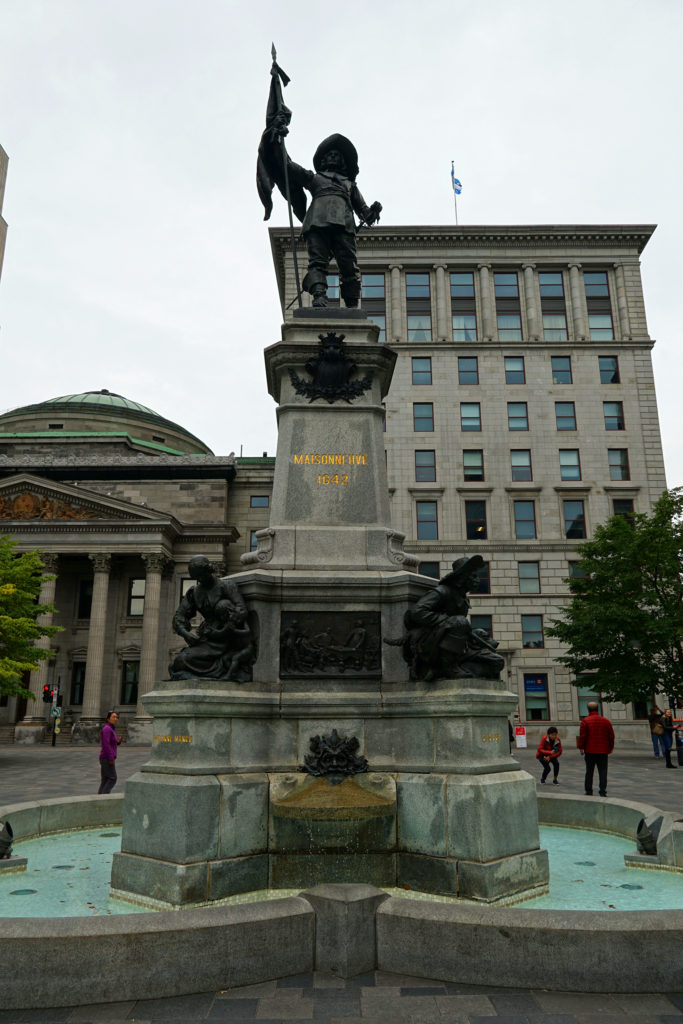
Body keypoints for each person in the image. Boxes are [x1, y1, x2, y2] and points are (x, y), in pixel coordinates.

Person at [169, 555, 254, 682]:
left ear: (209, 570)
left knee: (183, 661)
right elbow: (179, 616)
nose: (200, 579)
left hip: (227, 638)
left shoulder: (226, 586)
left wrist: (224, 629)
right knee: (179, 661)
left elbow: (241, 610)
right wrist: (186, 634)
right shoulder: (194, 592)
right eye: (197, 577)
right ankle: (213, 670)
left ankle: (220, 668)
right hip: (208, 638)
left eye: (202, 575)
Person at [578, 701, 615, 797]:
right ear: (598, 709)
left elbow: (583, 736)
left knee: (589, 771)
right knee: (603, 771)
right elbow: (611, 736)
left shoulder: (585, 721)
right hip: (603, 751)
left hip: (589, 750)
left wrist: (581, 747)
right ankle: (602, 791)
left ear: (588, 710)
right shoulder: (606, 721)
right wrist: (610, 747)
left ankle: (588, 790)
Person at [97, 711, 122, 794]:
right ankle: (104, 798)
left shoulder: (111, 728)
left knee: (105, 779)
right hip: (107, 758)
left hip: (106, 757)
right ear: (108, 719)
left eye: (117, 717)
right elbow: (106, 744)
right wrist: (111, 758)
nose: (116, 719)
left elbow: (112, 743)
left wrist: (118, 741)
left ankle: (100, 799)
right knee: (112, 778)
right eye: (113, 717)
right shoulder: (107, 729)